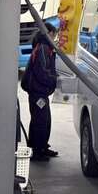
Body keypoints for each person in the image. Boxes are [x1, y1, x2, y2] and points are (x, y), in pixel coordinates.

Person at [22, 23, 59, 162]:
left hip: (41, 91)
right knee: (40, 121)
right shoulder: (43, 48)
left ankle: (42, 146)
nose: (54, 37)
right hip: (38, 92)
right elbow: (42, 71)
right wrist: (53, 80)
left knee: (44, 120)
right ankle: (37, 151)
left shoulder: (44, 47)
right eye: (53, 34)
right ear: (47, 33)